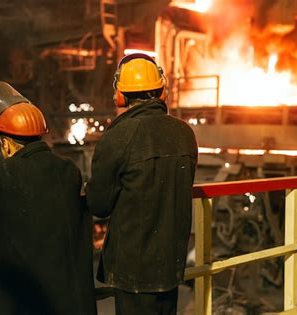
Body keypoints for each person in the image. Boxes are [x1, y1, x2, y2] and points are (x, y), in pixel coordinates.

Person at [0, 81, 96, 315]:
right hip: (70, 303)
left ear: (6, 142)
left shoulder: (3, 173)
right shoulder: (68, 170)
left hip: (26, 304)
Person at [86, 53, 198, 314]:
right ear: (162, 92)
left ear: (120, 96)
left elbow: (99, 205)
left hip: (132, 270)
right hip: (171, 265)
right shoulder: (184, 134)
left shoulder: (117, 137)